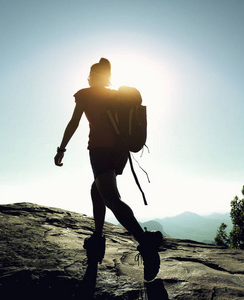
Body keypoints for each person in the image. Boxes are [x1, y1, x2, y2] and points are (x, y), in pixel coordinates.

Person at [54, 58, 162, 281]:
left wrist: (61, 148)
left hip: (100, 150)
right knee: (97, 190)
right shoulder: (115, 95)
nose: (90, 77)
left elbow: (74, 121)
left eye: (92, 74)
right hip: (119, 152)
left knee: (111, 198)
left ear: (94, 76)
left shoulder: (84, 94)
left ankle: (146, 244)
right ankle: (97, 237)